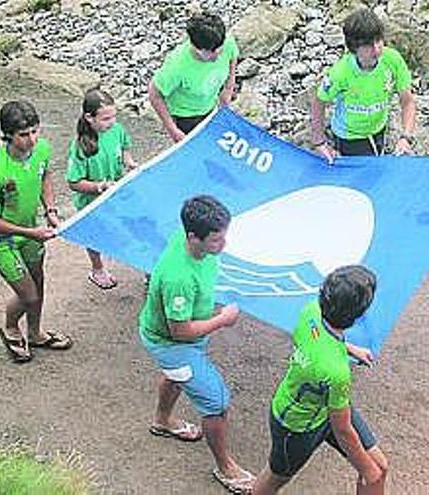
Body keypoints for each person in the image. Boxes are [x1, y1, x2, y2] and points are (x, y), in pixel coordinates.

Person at [139, 195, 255, 494]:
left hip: (171, 336)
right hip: (172, 343)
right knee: (217, 404)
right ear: (193, 236)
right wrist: (222, 319)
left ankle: (163, 420)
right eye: (216, 240)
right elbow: (180, 331)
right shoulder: (179, 277)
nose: (224, 245)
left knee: (176, 376)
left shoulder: (188, 236)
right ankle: (226, 468)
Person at [253, 265, 386, 495]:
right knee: (273, 480)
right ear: (357, 316)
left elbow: (321, 340)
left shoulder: (311, 311)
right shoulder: (336, 372)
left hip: (327, 406)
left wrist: (348, 348)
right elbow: (342, 429)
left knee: (380, 468)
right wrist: (366, 469)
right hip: (296, 428)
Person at [0, 100, 72, 363]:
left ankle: (35, 333)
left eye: (34, 131)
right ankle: (10, 328)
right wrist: (31, 233)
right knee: (28, 294)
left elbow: (45, 177)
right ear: (7, 135)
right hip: (2, 240)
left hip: (31, 231)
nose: (32, 140)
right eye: (23, 135)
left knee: (38, 282)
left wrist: (50, 209)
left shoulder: (42, 149)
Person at [310, 8, 416, 162]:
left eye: (378, 40)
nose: (377, 49)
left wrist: (406, 137)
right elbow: (319, 101)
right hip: (349, 136)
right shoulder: (341, 72)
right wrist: (318, 141)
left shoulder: (393, 60)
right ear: (353, 48)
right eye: (368, 45)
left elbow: (407, 101)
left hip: (379, 127)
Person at [65, 88, 138, 290]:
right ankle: (97, 269)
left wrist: (129, 162)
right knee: (94, 235)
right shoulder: (80, 146)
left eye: (114, 116)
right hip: (92, 202)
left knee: (130, 224)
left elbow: (124, 147)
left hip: (116, 192)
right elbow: (73, 182)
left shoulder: (117, 130)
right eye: (106, 118)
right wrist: (99, 186)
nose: (112, 122)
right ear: (89, 118)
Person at [149, 12, 239, 143]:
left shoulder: (226, 43)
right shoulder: (176, 67)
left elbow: (232, 57)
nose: (217, 57)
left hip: (212, 107)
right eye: (211, 53)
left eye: (220, 50)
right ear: (196, 47)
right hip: (186, 116)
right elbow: (154, 93)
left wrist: (228, 89)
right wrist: (172, 129)